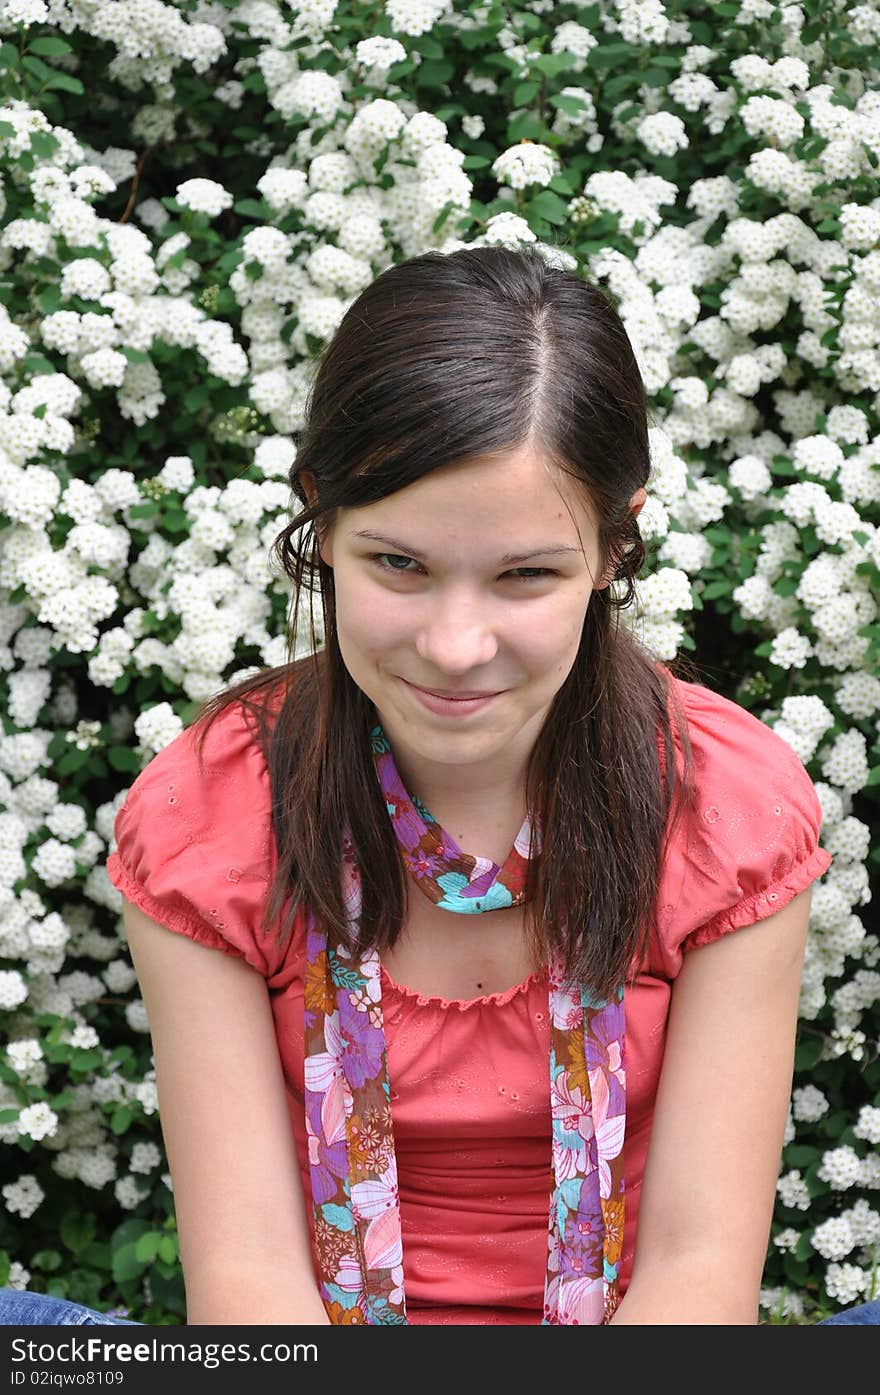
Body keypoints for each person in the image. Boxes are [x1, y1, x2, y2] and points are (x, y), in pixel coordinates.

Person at [2, 245, 873, 1328]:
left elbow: (699, 1276)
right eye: (397, 565)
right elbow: (249, 1290)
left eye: (525, 575)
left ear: (613, 544)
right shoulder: (213, 813)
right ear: (319, 517)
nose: (455, 648)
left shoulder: (723, 806)